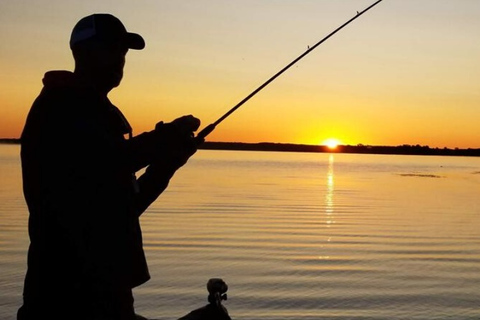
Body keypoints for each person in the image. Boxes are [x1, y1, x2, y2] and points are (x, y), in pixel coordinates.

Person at [18, 13, 202, 320]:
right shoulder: (60, 107)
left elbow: (123, 205)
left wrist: (168, 164)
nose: (120, 59)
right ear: (84, 53)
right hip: (66, 294)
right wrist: (166, 136)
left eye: (123, 52)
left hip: (107, 291)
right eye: (112, 49)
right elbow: (110, 159)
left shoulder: (95, 114)